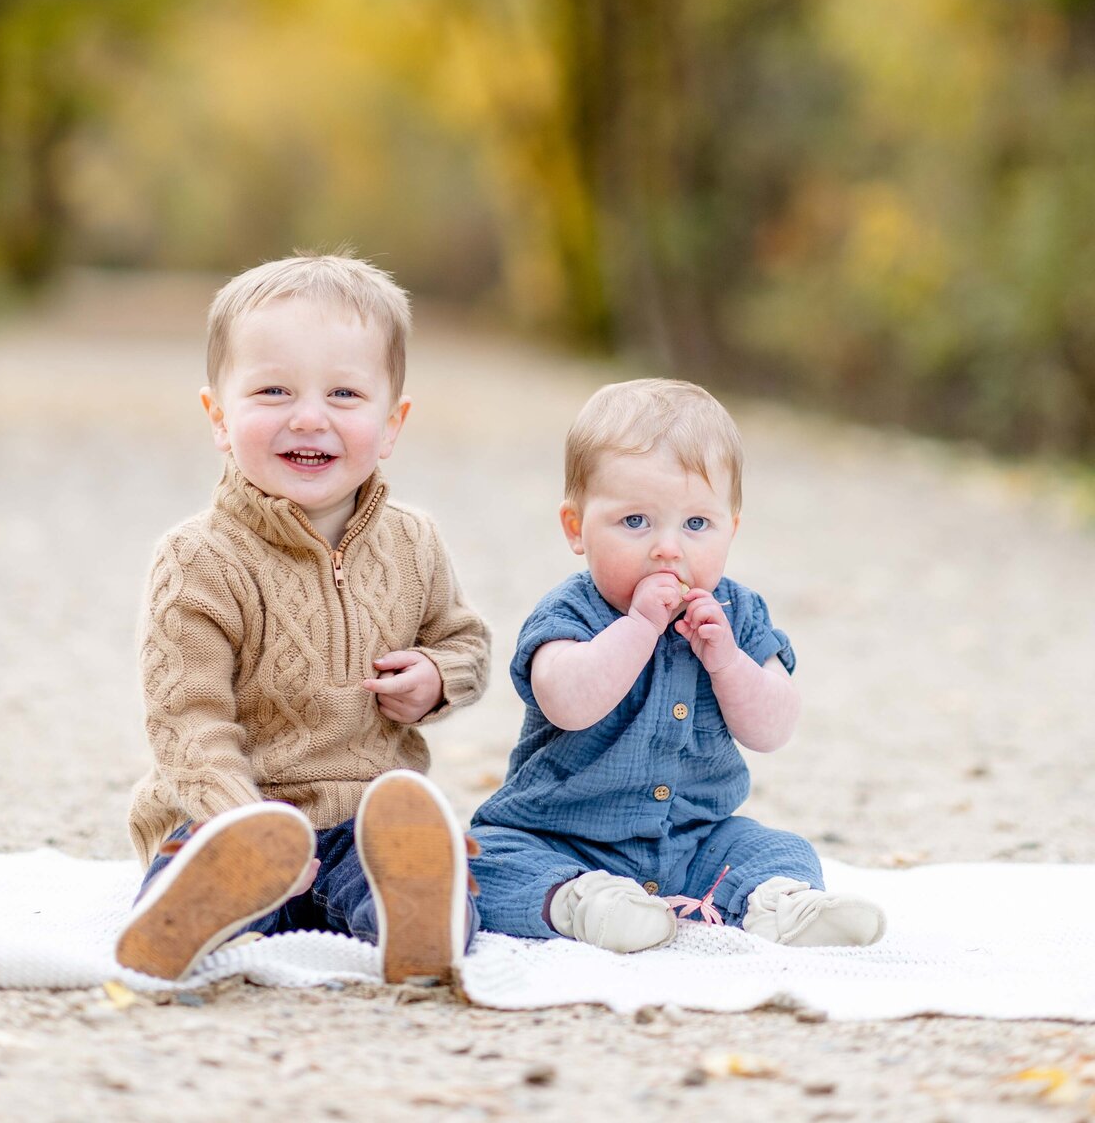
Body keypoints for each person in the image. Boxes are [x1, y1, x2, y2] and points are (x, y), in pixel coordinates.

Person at [115, 251, 490, 983]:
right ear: (219, 417)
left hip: (362, 826)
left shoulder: (414, 542)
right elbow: (186, 721)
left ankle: (420, 922)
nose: (309, 417)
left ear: (390, 425)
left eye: (345, 394)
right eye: (274, 390)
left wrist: (437, 676)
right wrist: (241, 824)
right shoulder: (198, 559)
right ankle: (186, 918)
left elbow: (465, 641)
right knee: (201, 864)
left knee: (411, 868)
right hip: (230, 818)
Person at [469, 379, 885, 954]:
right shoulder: (571, 611)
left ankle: (778, 903)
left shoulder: (737, 616)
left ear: (730, 530)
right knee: (481, 860)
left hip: (693, 841)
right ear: (576, 528)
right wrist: (638, 629)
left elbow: (773, 728)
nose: (668, 548)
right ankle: (581, 902)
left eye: (695, 524)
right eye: (636, 522)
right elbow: (568, 703)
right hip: (562, 836)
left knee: (780, 849)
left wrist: (729, 662)